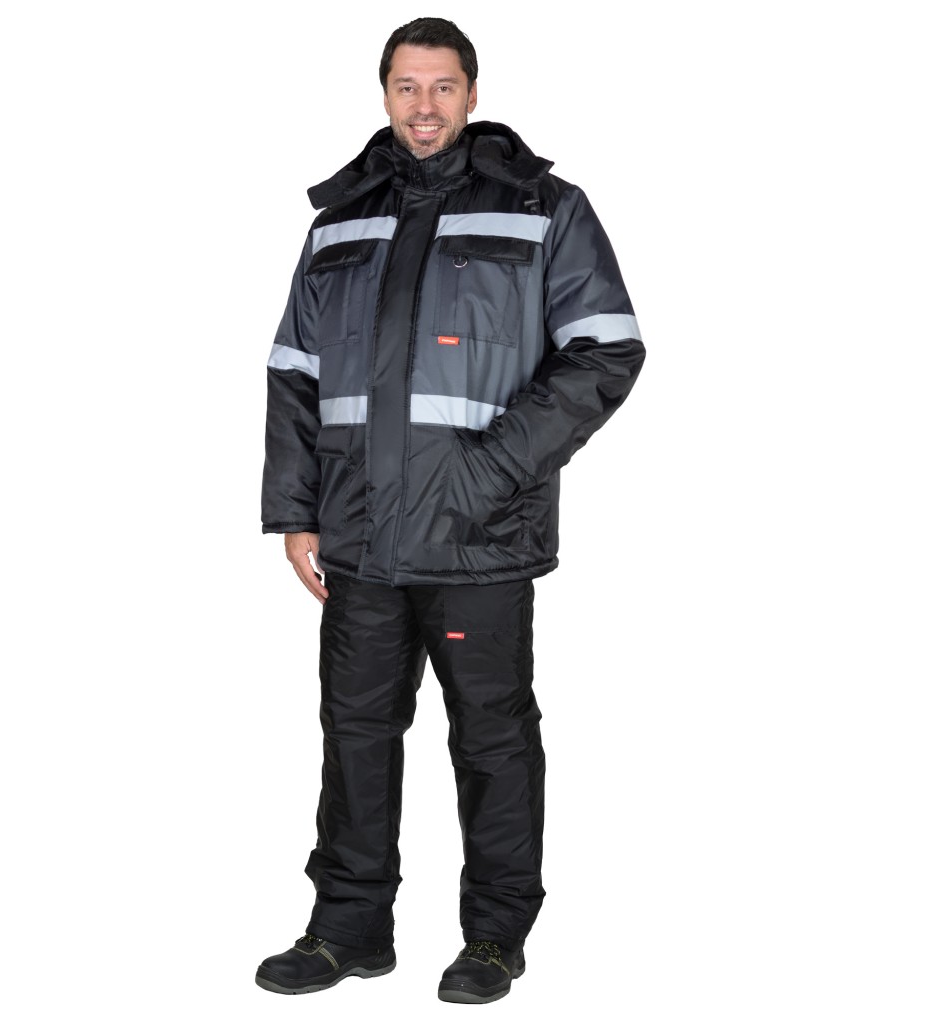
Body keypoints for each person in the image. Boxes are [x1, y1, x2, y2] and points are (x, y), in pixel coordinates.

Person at [257, 16, 645, 1004]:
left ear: (473, 92)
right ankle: (348, 929)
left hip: (480, 537)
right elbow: (294, 372)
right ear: (384, 94)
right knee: (354, 735)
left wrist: (488, 472)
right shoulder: (340, 219)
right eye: (406, 86)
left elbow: (606, 348)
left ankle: (494, 937)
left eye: (442, 87)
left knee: (492, 740)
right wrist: (295, 512)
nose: (423, 106)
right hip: (358, 537)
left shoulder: (543, 207)